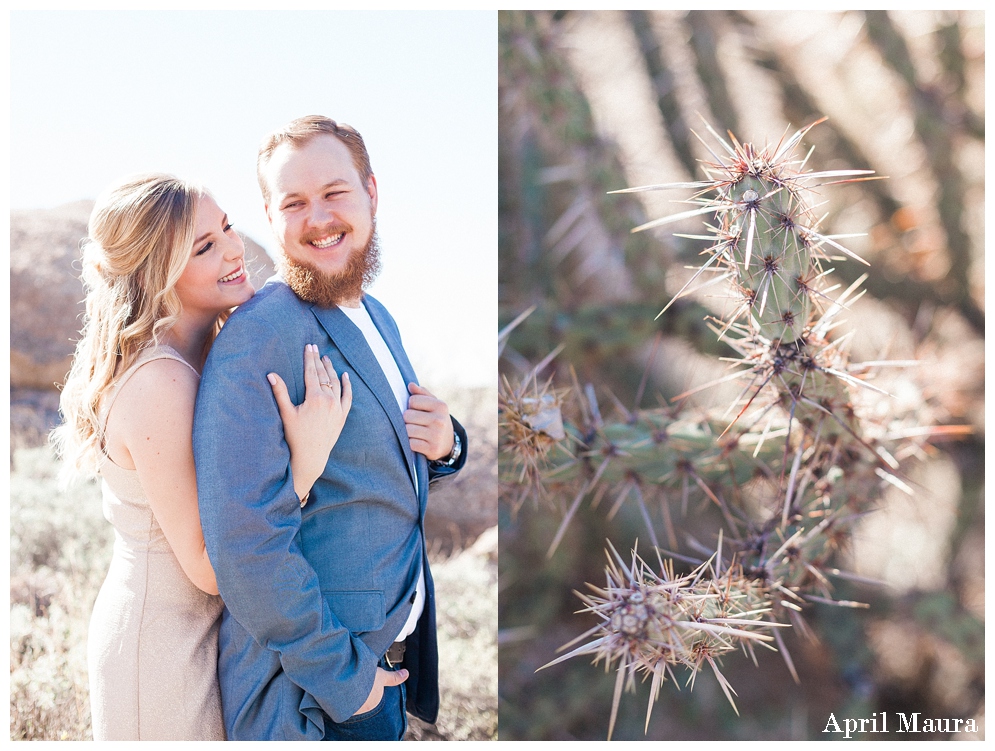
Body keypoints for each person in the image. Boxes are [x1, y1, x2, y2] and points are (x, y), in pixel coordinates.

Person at [192, 115, 468, 741]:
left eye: (335, 193)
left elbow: (387, 463)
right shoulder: (260, 335)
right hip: (315, 696)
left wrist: (449, 445)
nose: (318, 218)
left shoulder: (379, 318)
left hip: (383, 677)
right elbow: (245, 541)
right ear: (270, 215)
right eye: (294, 202)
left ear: (372, 192)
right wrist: (346, 679)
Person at [53, 173, 352, 740]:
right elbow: (210, 567)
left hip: (210, 636)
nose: (234, 249)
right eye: (204, 247)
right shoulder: (158, 382)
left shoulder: (211, 354)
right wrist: (305, 463)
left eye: (227, 228)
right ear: (154, 272)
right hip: (160, 647)